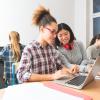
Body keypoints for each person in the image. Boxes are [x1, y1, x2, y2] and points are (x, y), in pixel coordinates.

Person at [16, 6, 76, 83]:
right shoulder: (29, 49)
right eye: (52, 31)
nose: (55, 36)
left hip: (53, 87)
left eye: (56, 32)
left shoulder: (52, 49)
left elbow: (60, 67)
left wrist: (69, 70)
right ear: (42, 29)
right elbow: (21, 75)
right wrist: (52, 76)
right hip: (38, 90)